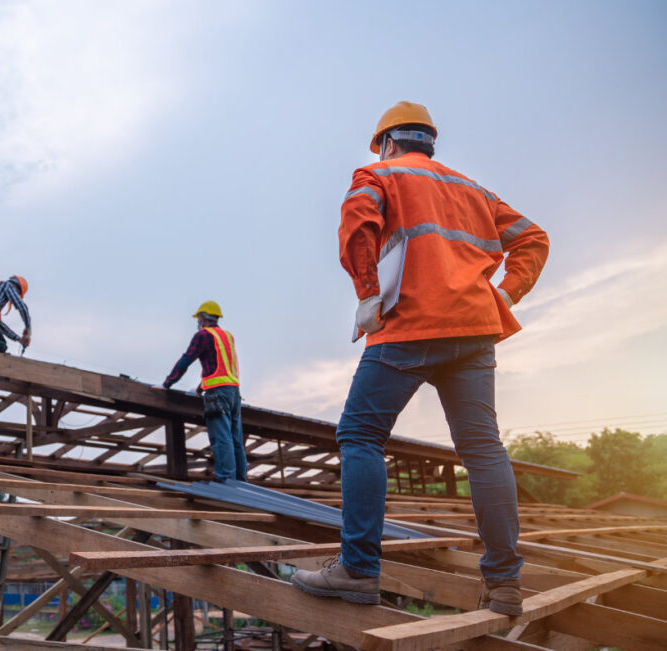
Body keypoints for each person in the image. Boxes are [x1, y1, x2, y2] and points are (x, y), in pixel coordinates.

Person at [291, 102, 549, 614]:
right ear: (428, 143)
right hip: (474, 328)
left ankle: (358, 570)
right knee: (483, 449)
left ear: (388, 143)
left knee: (360, 435)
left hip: (409, 324)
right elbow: (533, 239)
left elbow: (357, 227)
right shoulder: (473, 190)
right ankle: (504, 585)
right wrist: (505, 295)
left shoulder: (378, 175)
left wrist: (368, 293)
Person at [162, 301, 247, 483]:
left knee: (221, 437)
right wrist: (200, 388)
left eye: (199, 319)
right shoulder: (227, 336)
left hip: (217, 394)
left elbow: (186, 360)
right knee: (236, 439)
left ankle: (226, 480)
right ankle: (241, 481)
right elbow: (220, 367)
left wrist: (167, 384)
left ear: (203, 318)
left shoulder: (203, 336)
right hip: (234, 392)